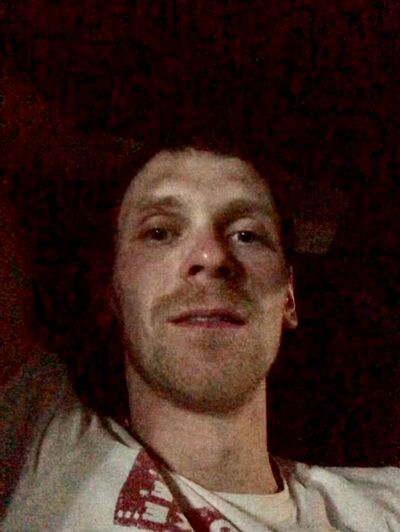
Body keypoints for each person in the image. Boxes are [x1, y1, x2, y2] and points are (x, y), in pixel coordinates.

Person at [1, 141, 399, 531]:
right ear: (111, 294)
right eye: (160, 232)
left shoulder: (386, 504)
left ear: (289, 299)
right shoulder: (40, 443)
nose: (211, 256)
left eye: (247, 235)